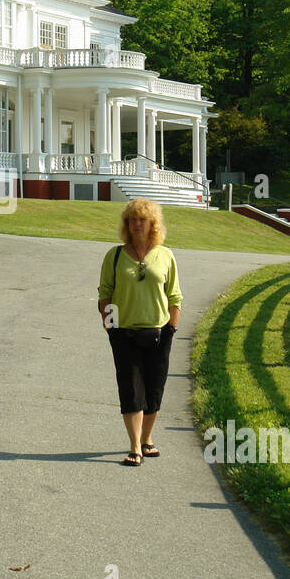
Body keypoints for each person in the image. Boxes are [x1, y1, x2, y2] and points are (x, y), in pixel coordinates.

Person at [96, 198, 182, 466]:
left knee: (154, 387)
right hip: (124, 334)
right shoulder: (115, 255)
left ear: (152, 223)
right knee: (131, 388)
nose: (136, 224)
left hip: (159, 333)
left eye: (142, 219)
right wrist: (111, 327)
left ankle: (147, 439)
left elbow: (175, 296)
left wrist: (172, 327)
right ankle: (134, 446)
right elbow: (105, 293)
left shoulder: (165, 255)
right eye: (132, 220)